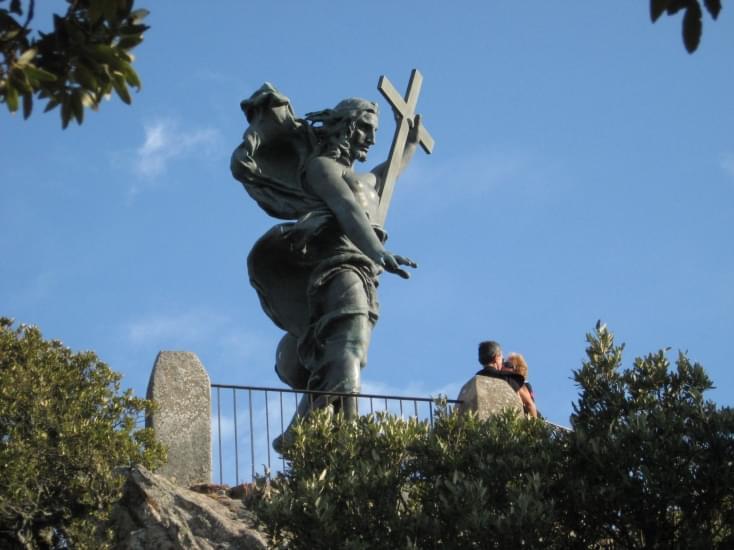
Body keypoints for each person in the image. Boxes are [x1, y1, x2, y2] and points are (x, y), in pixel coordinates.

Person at [231, 86, 422, 451]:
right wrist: (379, 251)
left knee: (351, 351)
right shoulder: (322, 168)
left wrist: (408, 142)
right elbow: (347, 210)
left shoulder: (365, 181)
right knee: (348, 348)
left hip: (363, 273)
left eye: (376, 134)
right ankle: (345, 436)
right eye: (365, 129)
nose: (370, 139)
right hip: (337, 269)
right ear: (345, 127)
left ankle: (306, 429)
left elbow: (389, 174)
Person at [476, 341, 538, 418]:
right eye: (502, 357)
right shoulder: (510, 379)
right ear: (496, 358)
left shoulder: (476, 379)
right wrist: (532, 428)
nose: (502, 360)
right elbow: (529, 404)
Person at [502, 352, 539, 418]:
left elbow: (530, 405)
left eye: (507, 364)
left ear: (516, 369)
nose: (503, 366)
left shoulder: (522, 385)